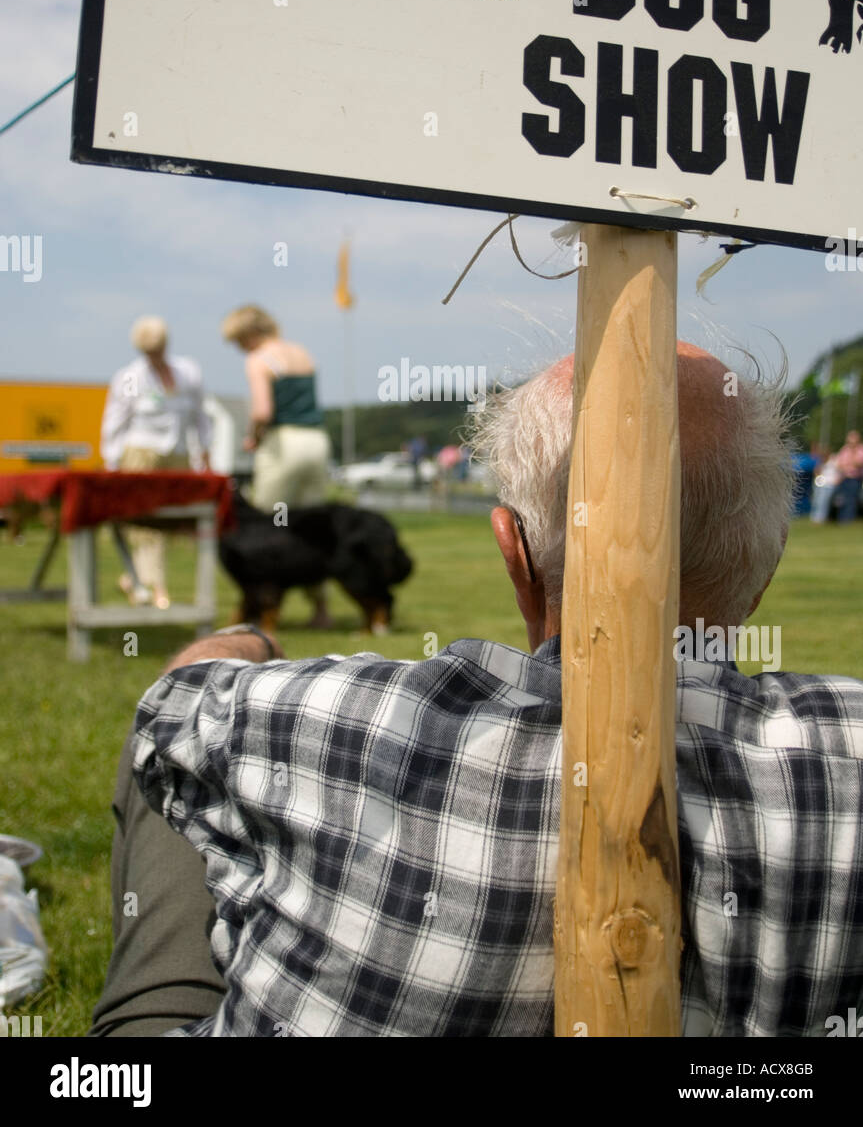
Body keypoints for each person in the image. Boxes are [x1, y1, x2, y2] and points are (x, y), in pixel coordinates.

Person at [89, 343, 863, 1038]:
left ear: (512, 553)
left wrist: (245, 644)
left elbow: (168, 709)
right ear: (763, 567)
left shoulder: (320, 720)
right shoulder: (848, 747)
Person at [221, 304, 332, 626]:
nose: (238, 348)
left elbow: (261, 412)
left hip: (283, 445)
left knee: (263, 530)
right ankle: (321, 609)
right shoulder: (302, 352)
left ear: (250, 334)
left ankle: (259, 608)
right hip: (316, 441)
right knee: (313, 531)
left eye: (238, 340)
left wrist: (252, 438)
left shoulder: (258, 360)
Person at [100, 317, 211, 609]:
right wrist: (112, 464)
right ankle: (154, 587)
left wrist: (205, 452)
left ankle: (135, 578)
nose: (155, 355)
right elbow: (114, 422)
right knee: (146, 525)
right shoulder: (129, 377)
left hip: (178, 456)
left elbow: (200, 415)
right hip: (141, 457)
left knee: (173, 523)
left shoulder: (189, 371)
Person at [833, 428, 863, 522]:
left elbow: (858, 463)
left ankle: (849, 518)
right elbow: (839, 463)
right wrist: (849, 464)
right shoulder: (845, 449)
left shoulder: (860, 449)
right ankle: (842, 518)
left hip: (855, 478)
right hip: (845, 477)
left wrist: (850, 461)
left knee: (851, 498)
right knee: (843, 498)